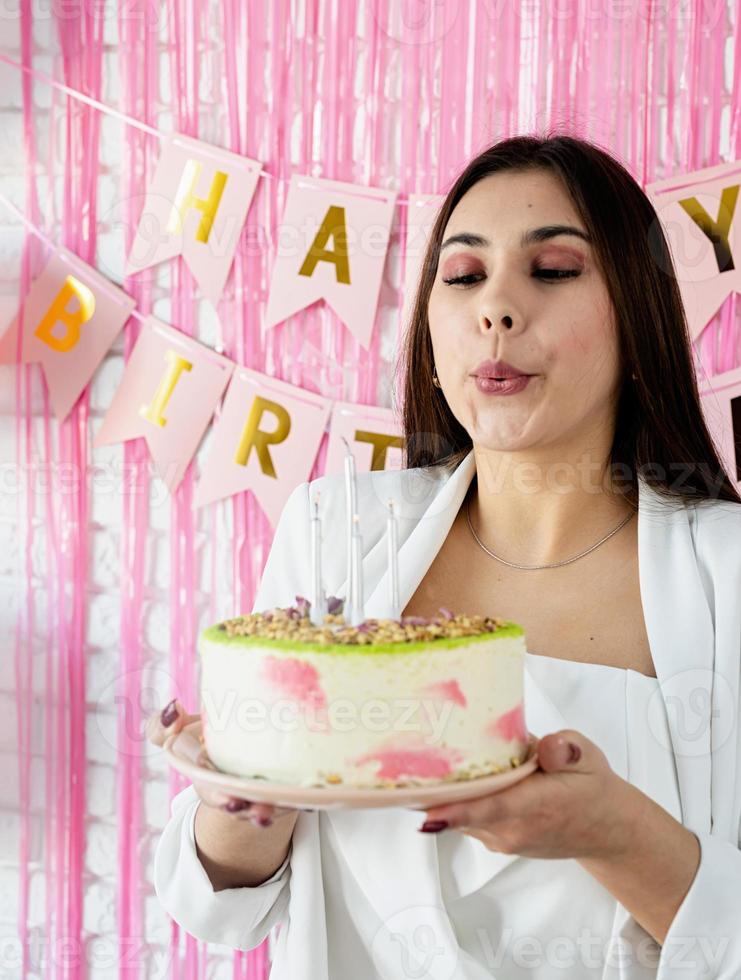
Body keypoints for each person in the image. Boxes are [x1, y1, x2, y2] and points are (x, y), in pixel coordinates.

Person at [147, 135, 741, 979]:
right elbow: (221, 905)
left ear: (637, 310)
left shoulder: (728, 575)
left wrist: (613, 831)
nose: (494, 309)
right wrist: (234, 797)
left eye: (554, 269)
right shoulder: (335, 533)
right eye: (462, 277)